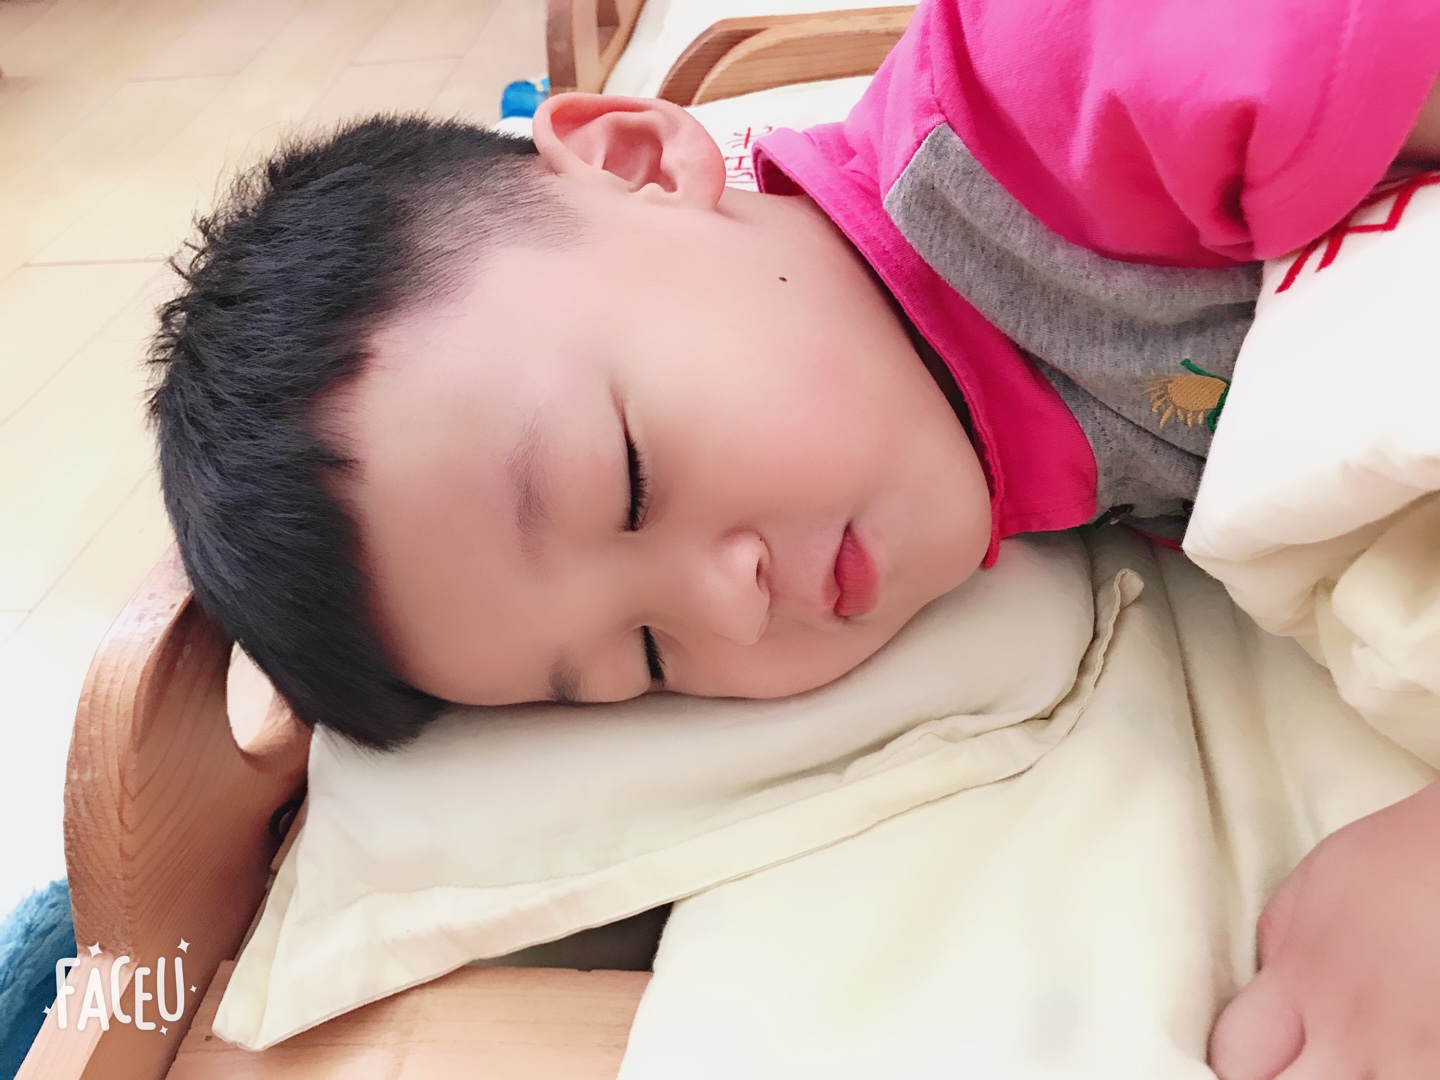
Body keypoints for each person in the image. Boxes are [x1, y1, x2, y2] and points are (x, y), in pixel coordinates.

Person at [147, 4, 1439, 1070]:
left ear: (640, 163)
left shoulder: (1060, 91)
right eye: (648, 656)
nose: (732, 602)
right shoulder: (1027, 458)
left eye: (630, 482)